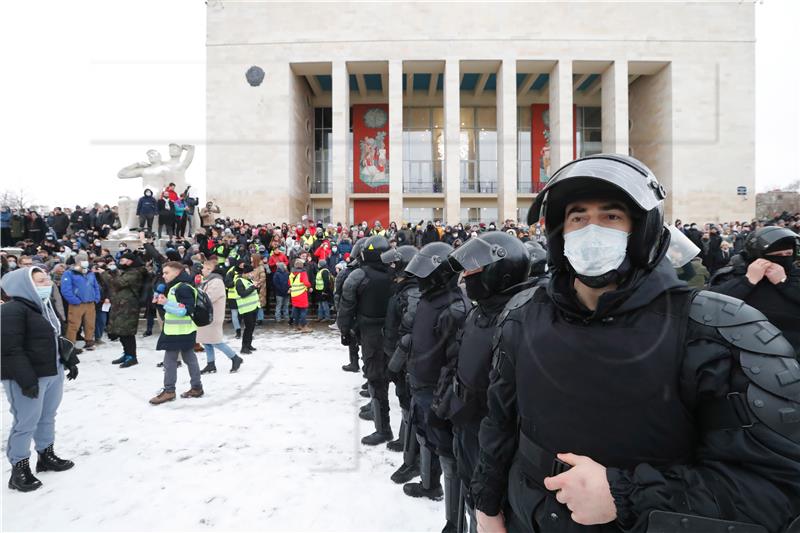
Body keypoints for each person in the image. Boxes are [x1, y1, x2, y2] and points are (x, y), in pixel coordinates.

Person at [470, 154, 800, 533]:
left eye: (611, 216)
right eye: (578, 218)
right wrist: (487, 504)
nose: (591, 229)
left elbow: (777, 489)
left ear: (642, 230)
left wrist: (628, 496)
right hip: (527, 517)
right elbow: (499, 422)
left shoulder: (714, 329)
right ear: (561, 235)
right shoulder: (522, 314)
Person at [438, 232, 532, 533]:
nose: (466, 276)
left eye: (474, 269)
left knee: (490, 511)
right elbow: (458, 360)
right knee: (469, 494)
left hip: (494, 442)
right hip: (465, 427)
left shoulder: (519, 318)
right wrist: (446, 401)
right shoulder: (479, 311)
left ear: (499, 273)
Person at [401, 242, 471, 513]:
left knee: (447, 452)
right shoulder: (429, 299)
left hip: (437, 391)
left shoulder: (454, 308)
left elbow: (455, 362)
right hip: (421, 383)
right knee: (424, 436)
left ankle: (453, 520)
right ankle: (428, 483)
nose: (419, 278)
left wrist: (442, 398)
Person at [1, 267, 79, 492]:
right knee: (25, 423)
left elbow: (56, 337)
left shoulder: (44, 307)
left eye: (47, 278)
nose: (47, 282)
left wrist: (69, 360)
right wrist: (26, 380)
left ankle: (46, 455)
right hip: (26, 377)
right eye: (40, 280)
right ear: (25, 285)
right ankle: (19, 468)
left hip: (52, 372)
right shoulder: (12, 310)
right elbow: (9, 349)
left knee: (47, 416)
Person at [337, 235, 395, 446]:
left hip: (372, 333)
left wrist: (345, 329)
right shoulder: (396, 273)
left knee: (375, 377)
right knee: (386, 377)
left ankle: (383, 429)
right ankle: (381, 419)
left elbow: (346, 306)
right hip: (391, 332)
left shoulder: (359, 275)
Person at [708, 226, 800, 354]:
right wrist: (747, 281)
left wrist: (785, 283)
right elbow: (710, 305)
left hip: (793, 353)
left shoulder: (795, 276)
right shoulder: (734, 274)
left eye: (788, 254)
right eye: (777, 255)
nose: (784, 258)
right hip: (742, 352)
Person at [381, 245, 422, 484]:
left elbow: (410, 328)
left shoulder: (413, 291)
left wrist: (397, 357)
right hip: (397, 354)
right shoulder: (404, 287)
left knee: (411, 406)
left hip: (406, 359)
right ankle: (403, 439)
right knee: (404, 403)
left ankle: (413, 461)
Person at [149, 262, 204, 405]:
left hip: (179, 331)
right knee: (189, 358)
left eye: (166, 272)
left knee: (169, 361)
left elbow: (185, 310)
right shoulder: (175, 287)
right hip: (181, 330)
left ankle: (169, 391)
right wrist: (160, 302)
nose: (163, 275)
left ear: (177, 272)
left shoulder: (183, 287)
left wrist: (166, 303)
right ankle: (196, 387)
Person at [197, 259, 243, 374]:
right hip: (207, 316)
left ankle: (235, 358)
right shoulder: (209, 280)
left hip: (213, 316)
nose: (202, 270)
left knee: (215, 341)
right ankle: (210, 364)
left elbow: (209, 298)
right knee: (206, 341)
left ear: (209, 269)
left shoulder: (216, 281)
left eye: (203, 268)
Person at [103, 252, 146, 368]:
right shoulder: (125, 271)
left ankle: (132, 357)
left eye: (123, 260)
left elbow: (119, 282)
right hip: (120, 305)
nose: (120, 263)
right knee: (121, 332)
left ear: (130, 261)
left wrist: (108, 273)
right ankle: (127, 353)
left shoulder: (135, 272)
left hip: (129, 307)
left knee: (127, 333)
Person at [334, 238, 366, 372]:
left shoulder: (349, 271)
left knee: (358, 338)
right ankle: (357, 363)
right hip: (356, 311)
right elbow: (339, 295)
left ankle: (357, 363)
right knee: (357, 338)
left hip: (357, 312)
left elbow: (338, 296)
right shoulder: (348, 272)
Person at [60, 254, 101, 351]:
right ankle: (70, 344)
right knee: (74, 324)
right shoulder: (69, 273)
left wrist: (96, 298)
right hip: (77, 304)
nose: (85, 261)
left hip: (90, 303)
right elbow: (66, 289)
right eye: (83, 260)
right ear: (77, 262)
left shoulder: (90, 273)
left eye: (86, 259)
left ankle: (89, 341)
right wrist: (74, 300)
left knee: (90, 323)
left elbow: (96, 286)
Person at [234, 264, 261, 354]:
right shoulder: (239, 281)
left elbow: (252, 291)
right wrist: (253, 287)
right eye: (250, 273)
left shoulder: (248, 280)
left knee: (251, 327)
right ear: (245, 273)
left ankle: (248, 344)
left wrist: (256, 287)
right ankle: (244, 347)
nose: (251, 274)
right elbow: (242, 293)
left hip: (254, 307)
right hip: (246, 309)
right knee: (248, 328)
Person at [289, 259, 312, 333]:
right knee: (303, 311)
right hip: (301, 294)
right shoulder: (303, 273)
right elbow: (306, 283)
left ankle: (296, 326)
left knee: (296, 310)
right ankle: (304, 326)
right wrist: (309, 285)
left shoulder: (292, 273)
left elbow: (289, 283)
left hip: (294, 294)